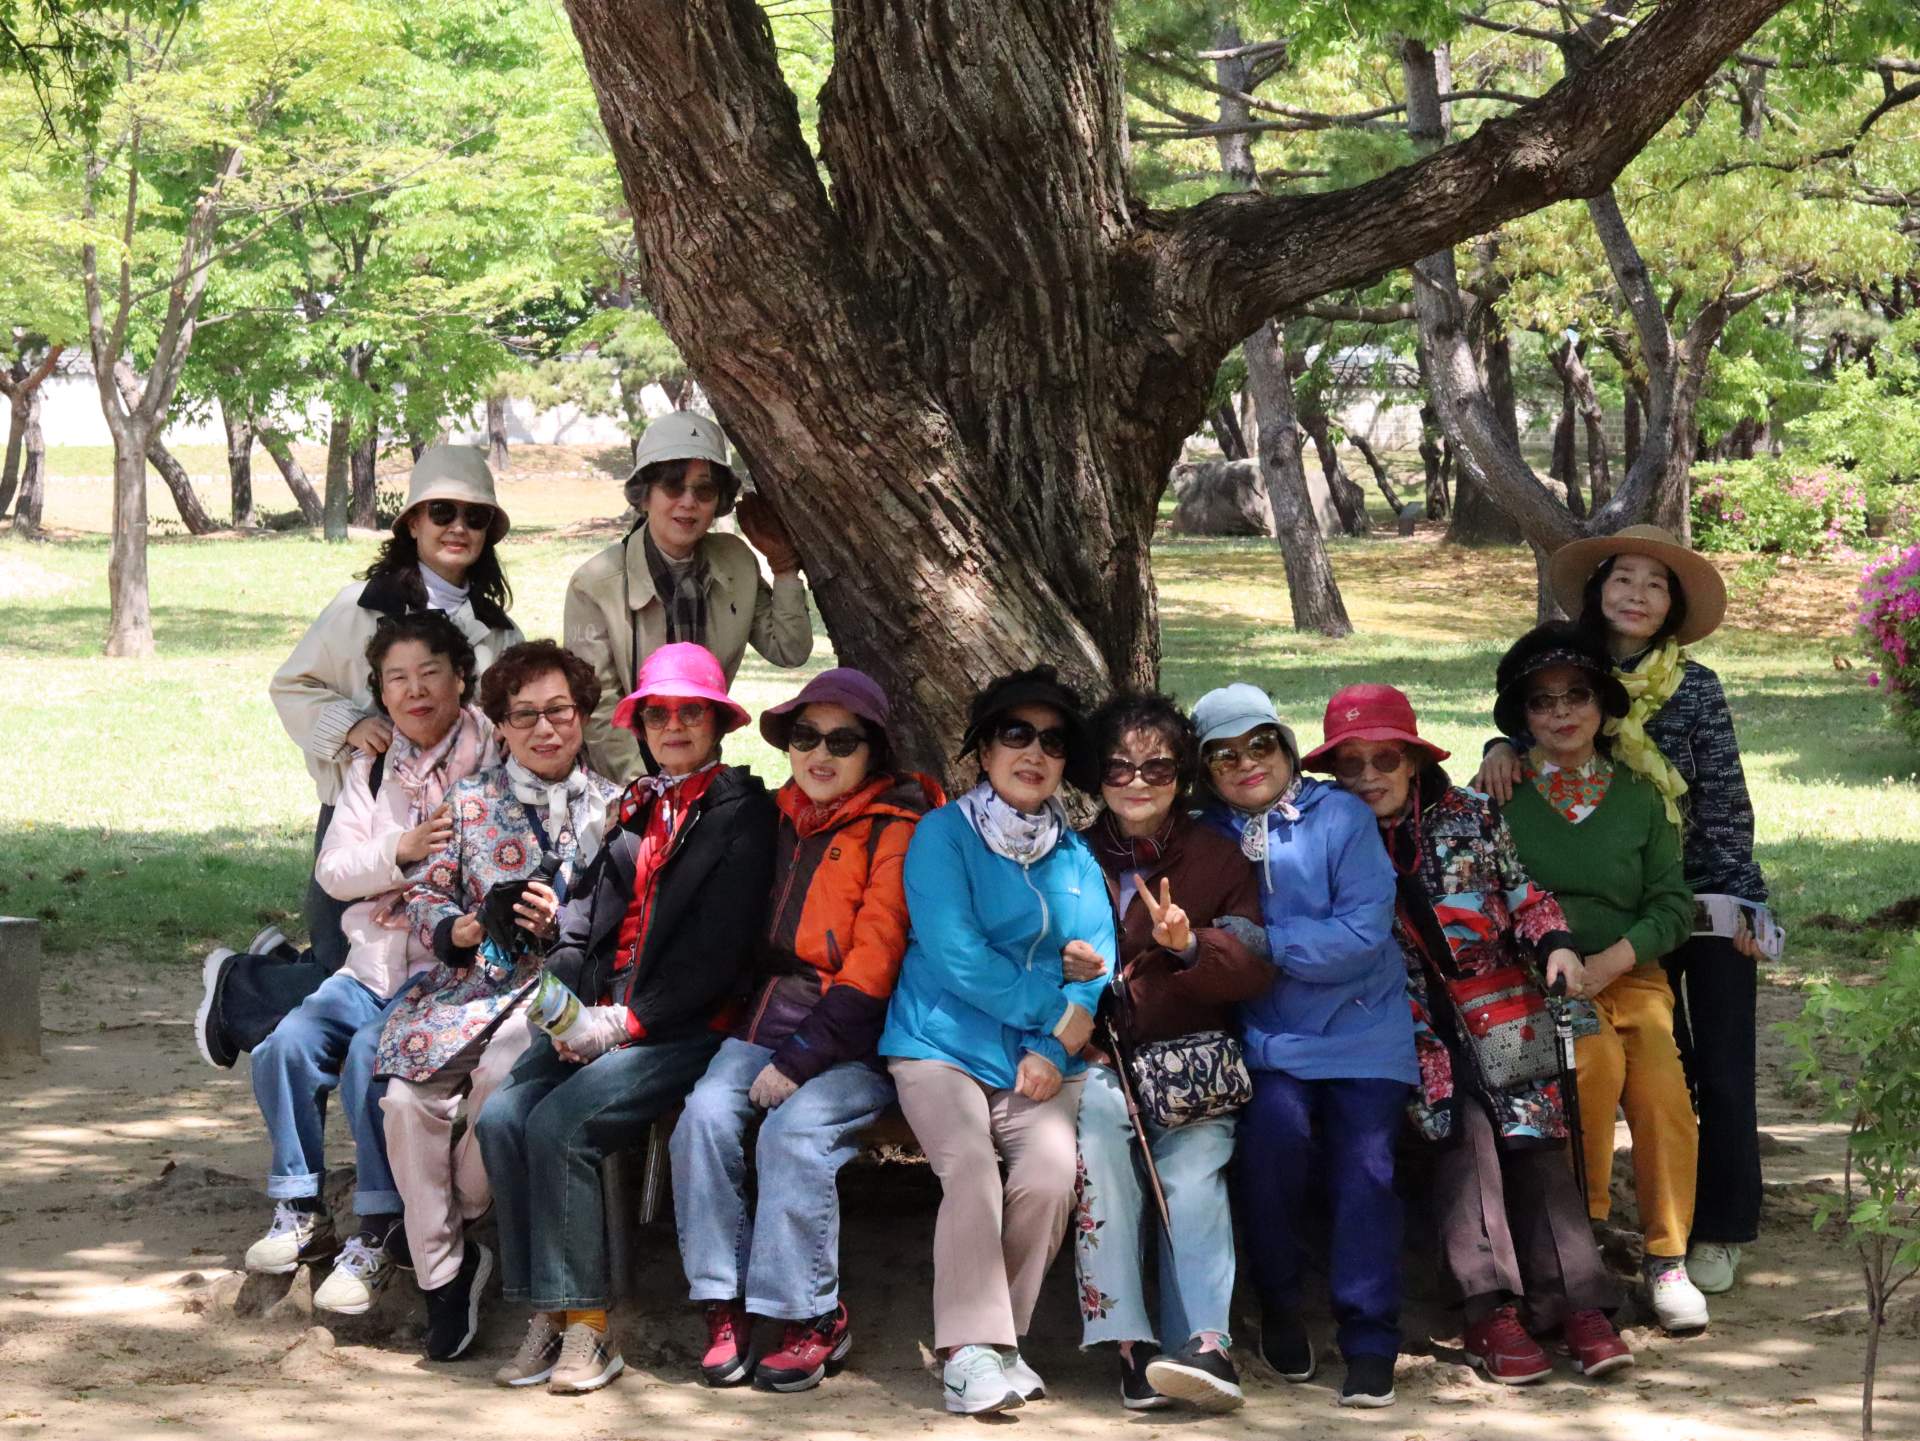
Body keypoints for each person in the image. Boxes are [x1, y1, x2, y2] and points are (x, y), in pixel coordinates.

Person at [1306, 683, 1633, 1385]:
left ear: (1413, 760)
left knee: (1538, 1143)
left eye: (1384, 759)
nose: (1368, 776)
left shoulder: (1473, 815)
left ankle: (1579, 1305)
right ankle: (1489, 1312)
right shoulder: (1326, 832)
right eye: (1350, 763)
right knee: (1463, 1140)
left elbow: (1526, 895)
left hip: (1503, 1007)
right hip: (1406, 1025)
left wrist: (1557, 945)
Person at [479, 642, 777, 1396]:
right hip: (602, 1013)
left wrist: (621, 1026)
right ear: (639, 725)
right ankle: (548, 1309)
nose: (673, 725)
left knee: (562, 1125)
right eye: (658, 714)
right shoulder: (636, 807)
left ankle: (591, 1327)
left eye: (690, 712)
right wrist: (566, 1008)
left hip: (689, 1025)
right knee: (503, 1116)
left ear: (718, 722)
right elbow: (584, 921)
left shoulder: (744, 815)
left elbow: (719, 958)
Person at [1480, 525, 1767, 1299]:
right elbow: (1525, 730)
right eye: (1623, 578)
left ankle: (1711, 1228)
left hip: (1693, 890)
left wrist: (1743, 902)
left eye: (1656, 583)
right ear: (1597, 590)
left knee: (1710, 1069)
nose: (1637, 594)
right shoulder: (1568, 669)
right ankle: (1588, 1224)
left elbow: (1725, 801)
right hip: (1582, 922)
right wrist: (1497, 748)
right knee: (1600, 1060)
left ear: (1673, 605)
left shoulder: (1693, 687)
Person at [670, 668, 942, 1393]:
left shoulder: (897, 829)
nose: (820, 754)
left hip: (859, 1036)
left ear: (873, 752)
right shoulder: (778, 816)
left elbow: (877, 962)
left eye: (842, 742)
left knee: (793, 1133)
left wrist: (799, 1059)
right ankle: (722, 1301)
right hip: (765, 1018)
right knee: (702, 1118)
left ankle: (812, 1314)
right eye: (805, 736)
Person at [235, 612, 496, 1303]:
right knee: (285, 1044)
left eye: (429, 673)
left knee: (369, 1056)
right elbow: (334, 871)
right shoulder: (373, 765)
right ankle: (301, 1208)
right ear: (379, 690)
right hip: (370, 963)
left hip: (445, 973)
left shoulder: (495, 757)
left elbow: (492, 870)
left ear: (461, 677)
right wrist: (400, 854)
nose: (414, 691)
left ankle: (380, 1228)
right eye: (396, 679)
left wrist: (411, 887)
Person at [373, 640, 618, 1363]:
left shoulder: (614, 808)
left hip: (554, 994)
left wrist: (566, 924)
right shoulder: (470, 799)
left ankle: (447, 1232)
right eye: (524, 715)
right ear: (502, 725)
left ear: (582, 714)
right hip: (467, 985)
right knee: (404, 1102)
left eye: (559, 711)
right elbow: (423, 894)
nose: (544, 729)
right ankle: (446, 1277)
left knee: (499, 1082)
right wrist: (467, 926)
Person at [879, 666, 1114, 1416]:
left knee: (1049, 1173)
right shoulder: (941, 835)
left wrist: (1055, 1047)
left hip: (1034, 1058)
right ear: (984, 751)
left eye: (1052, 741)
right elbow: (957, 955)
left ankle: (997, 1344)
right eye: (1015, 734)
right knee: (972, 1165)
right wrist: (1054, 1008)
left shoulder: (1075, 856)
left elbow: (1097, 962)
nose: (1034, 752)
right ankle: (966, 1353)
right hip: (938, 1042)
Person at [1191, 682, 1412, 1409]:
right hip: (1267, 1037)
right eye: (1223, 755)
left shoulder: (1340, 815)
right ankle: (1281, 1305)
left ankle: (1370, 1338)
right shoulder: (1205, 836)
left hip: (1363, 1029)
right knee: (1271, 1146)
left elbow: (1362, 933)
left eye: (1260, 744)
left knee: (1366, 1166)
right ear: (1205, 770)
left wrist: (1268, 943)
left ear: (1286, 747)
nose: (1246, 763)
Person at [1491, 623, 1702, 1332]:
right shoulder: (1500, 791)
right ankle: (1583, 1235)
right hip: (1538, 980)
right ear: (1522, 717)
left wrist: (1615, 958)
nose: (1561, 713)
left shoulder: (1641, 795)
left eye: (1576, 695)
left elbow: (1672, 904)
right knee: (1591, 1064)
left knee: (1664, 1090)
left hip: (1631, 975)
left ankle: (1667, 1257)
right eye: (1541, 701)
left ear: (1602, 705)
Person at [1063, 691, 1267, 1413]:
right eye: (1118, 767)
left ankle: (1206, 1344)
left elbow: (1254, 966)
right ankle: (1129, 1342)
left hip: (1192, 1062)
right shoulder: (1069, 855)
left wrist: (1190, 947)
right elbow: (1026, 956)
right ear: (1097, 776)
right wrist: (1067, 971)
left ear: (1181, 775)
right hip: (1101, 1060)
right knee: (1097, 1141)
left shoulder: (1216, 854)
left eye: (1157, 767)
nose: (1137, 781)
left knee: (1194, 1171)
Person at [268, 446, 520, 973]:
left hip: (461, 826)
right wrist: (351, 725)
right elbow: (292, 686)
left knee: (441, 969)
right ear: (412, 523)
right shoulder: (357, 608)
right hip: (363, 814)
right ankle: (243, 982)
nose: (458, 528)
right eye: (442, 512)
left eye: (475, 517)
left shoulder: (500, 632)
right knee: (339, 964)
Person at [563, 411, 812, 782]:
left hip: (703, 769)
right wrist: (643, 789)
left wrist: (784, 568)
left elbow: (789, 650)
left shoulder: (735, 563)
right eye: (673, 486)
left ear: (719, 501)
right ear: (644, 496)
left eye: (704, 490)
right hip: (623, 779)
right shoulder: (595, 585)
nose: (688, 502)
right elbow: (598, 709)